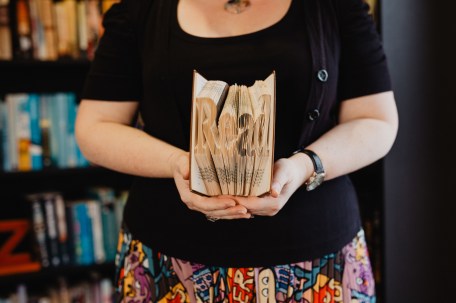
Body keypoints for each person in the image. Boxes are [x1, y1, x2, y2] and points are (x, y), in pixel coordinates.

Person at [75, 0, 398, 301]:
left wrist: (304, 167)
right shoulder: (140, 10)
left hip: (317, 263)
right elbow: (95, 128)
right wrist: (179, 164)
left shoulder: (333, 6)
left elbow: (375, 121)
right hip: (167, 261)